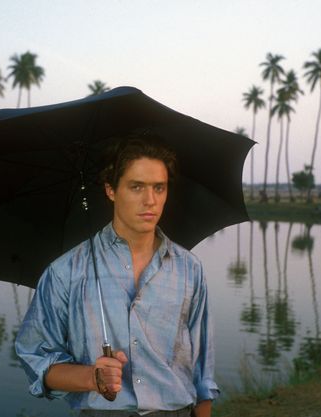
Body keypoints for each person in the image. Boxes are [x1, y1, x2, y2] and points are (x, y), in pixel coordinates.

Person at [15, 134, 219, 417]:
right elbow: (35, 356)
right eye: (136, 187)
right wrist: (90, 377)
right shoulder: (66, 272)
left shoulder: (190, 268)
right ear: (111, 190)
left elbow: (202, 369)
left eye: (159, 188)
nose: (150, 200)